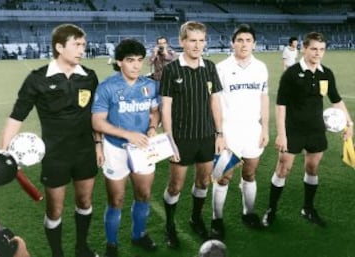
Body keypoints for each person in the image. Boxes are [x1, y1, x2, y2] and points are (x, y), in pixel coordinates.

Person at [0, 24, 100, 257]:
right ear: (59, 47)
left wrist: (98, 143)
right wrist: (4, 154)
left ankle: (82, 248)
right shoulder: (37, 79)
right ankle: (57, 253)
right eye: (77, 44)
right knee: (55, 210)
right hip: (55, 156)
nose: (82, 49)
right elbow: (16, 117)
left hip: (85, 152)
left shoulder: (89, 77)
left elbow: (96, 115)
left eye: (83, 44)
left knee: (85, 202)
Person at [261, 32, 354, 228]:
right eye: (313, 49)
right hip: (293, 130)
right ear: (304, 48)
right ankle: (271, 209)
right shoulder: (292, 73)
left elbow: (336, 100)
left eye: (321, 49)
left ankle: (308, 208)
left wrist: (349, 124)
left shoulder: (326, 73)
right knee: (283, 169)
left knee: (312, 168)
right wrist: (281, 133)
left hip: (316, 129)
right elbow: (281, 105)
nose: (318, 53)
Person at [91, 39, 160, 257]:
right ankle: (112, 244)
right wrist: (127, 135)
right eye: (130, 61)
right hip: (116, 150)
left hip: (142, 149)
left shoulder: (149, 85)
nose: (136, 66)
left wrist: (151, 127)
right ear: (119, 62)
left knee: (144, 194)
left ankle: (138, 235)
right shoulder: (107, 87)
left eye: (140, 60)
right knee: (116, 200)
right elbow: (97, 122)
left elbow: (154, 112)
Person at [160, 21, 226, 248]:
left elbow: (215, 101)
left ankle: (195, 219)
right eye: (192, 40)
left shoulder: (209, 67)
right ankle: (169, 225)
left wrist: (219, 133)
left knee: (203, 182)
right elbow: (165, 107)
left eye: (201, 40)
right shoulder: (171, 70)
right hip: (181, 138)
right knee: (175, 186)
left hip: (207, 135)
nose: (197, 45)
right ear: (182, 42)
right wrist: (169, 139)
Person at [211, 23, 269, 240]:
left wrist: (265, 127)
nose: (244, 44)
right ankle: (217, 219)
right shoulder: (221, 68)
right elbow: (214, 102)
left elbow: (264, 98)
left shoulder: (261, 67)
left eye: (248, 40)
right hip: (229, 131)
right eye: (240, 40)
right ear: (232, 43)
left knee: (250, 173)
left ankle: (249, 213)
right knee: (223, 177)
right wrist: (219, 133)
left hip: (252, 130)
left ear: (254, 44)